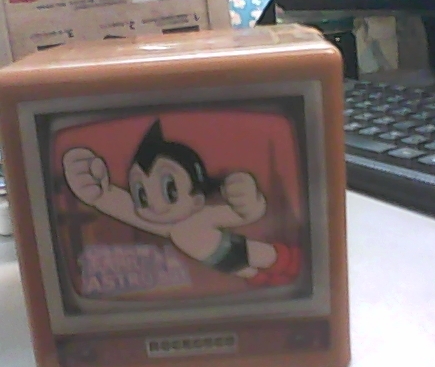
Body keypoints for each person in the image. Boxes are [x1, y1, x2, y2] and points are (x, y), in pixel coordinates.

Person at [63, 120, 300, 286]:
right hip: (228, 266)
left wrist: (249, 200)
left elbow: (244, 214)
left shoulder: (201, 216)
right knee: (254, 276)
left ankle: (287, 266)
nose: (154, 206)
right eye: (141, 195)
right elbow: (128, 210)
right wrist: (99, 195)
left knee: (270, 260)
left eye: (170, 190)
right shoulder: (166, 226)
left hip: (244, 251)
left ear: (197, 198)